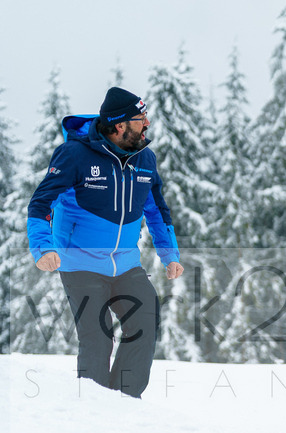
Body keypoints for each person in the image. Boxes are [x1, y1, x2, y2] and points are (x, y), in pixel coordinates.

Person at [26, 86, 183, 398]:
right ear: (120, 125)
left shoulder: (145, 159)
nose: (147, 125)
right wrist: (43, 247)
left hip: (125, 263)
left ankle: (126, 400)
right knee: (98, 337)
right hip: (80, 263)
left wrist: (170, 255)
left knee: (145, 318)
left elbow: (157, 210)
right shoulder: (75, 155)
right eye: (141, 120)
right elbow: (42, 203)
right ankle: (96, 407)